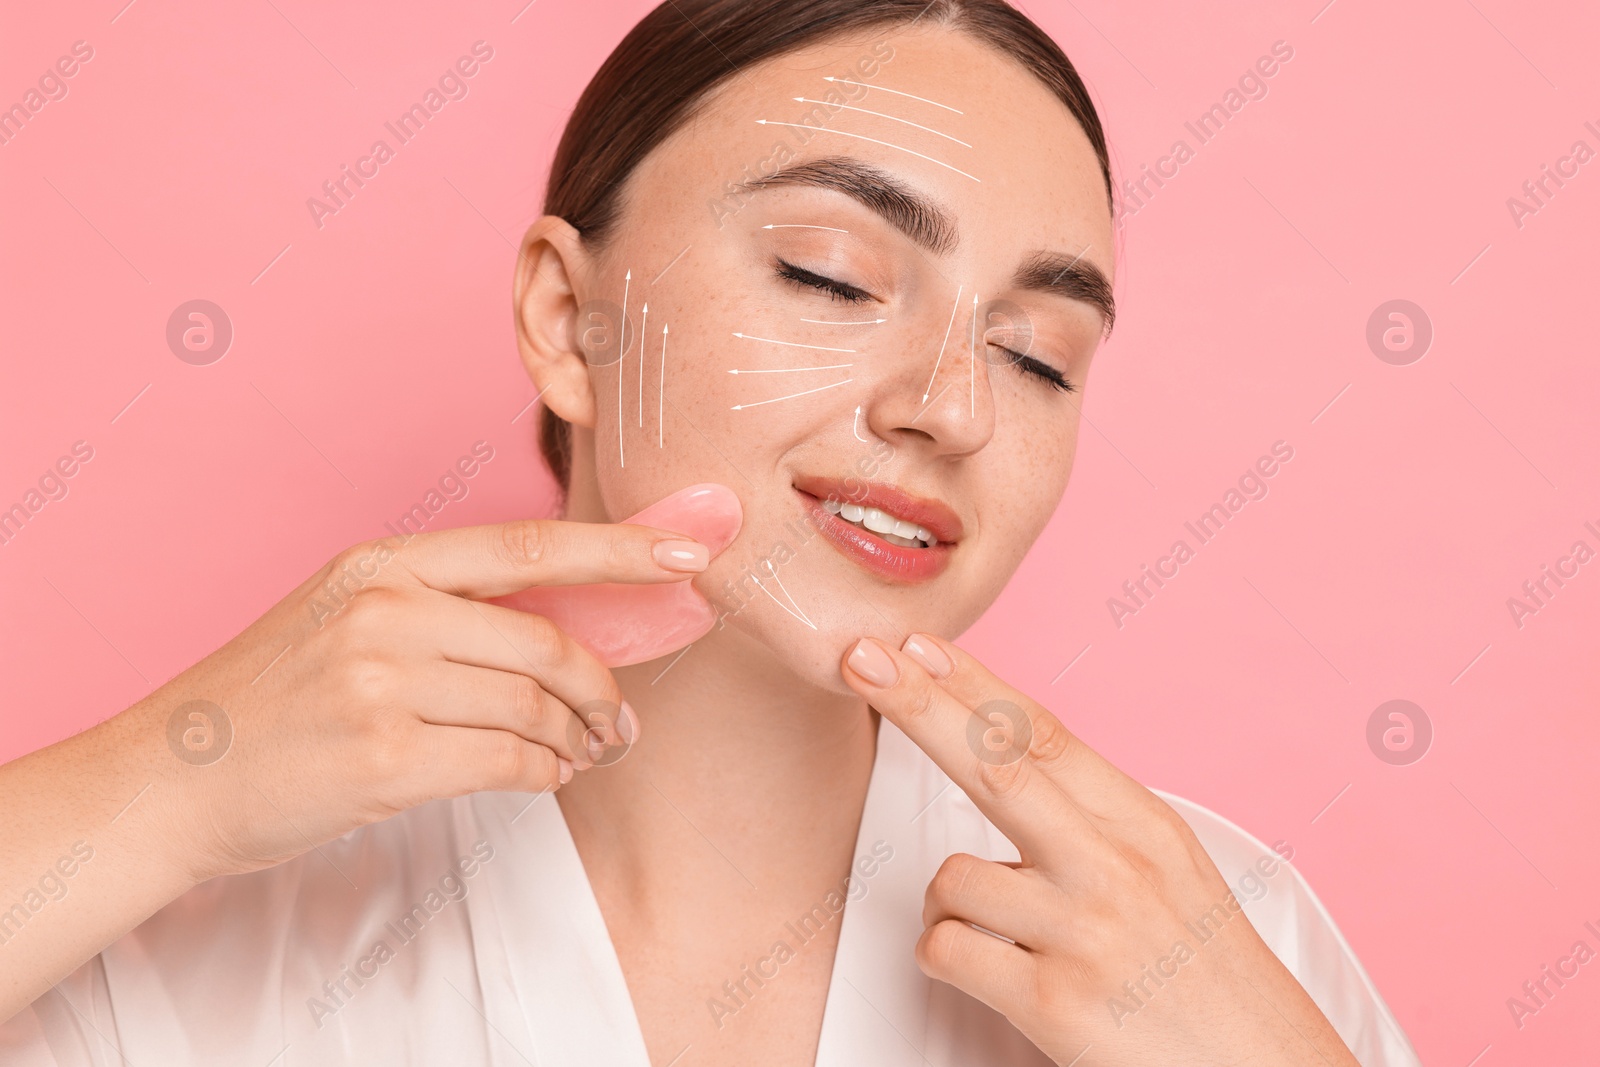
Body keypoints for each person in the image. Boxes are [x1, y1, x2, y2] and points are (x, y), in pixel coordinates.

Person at [0, 1, 1424, 1063]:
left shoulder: (1228, 943)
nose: (955, 409)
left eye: (1041, 354)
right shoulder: (176, 933)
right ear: (570, 320)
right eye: (834, 275)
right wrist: (160, 785)